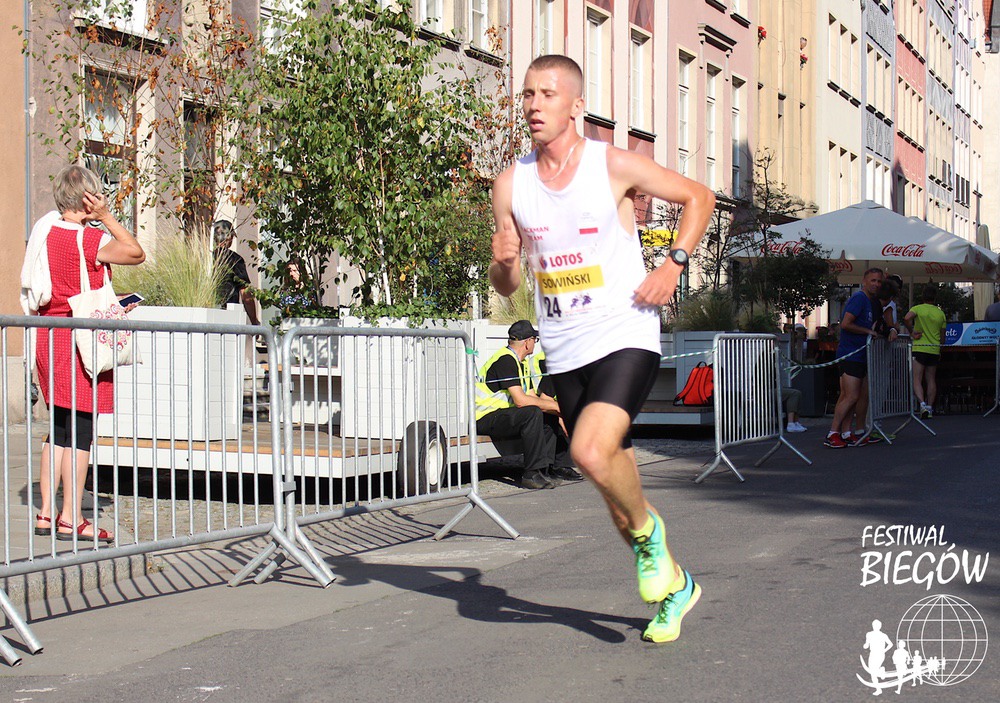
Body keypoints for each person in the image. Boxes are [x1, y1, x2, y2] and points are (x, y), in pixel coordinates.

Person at [490, 55, 715, 643]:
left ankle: (651, 539)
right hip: (564, 350)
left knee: (589, 451)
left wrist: (673, 265)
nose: (534, 105)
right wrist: (504, 262)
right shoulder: (511, 184)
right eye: (528, 94)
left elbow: (699, 196)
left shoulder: (611, 164)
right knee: (616, 492)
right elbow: (507, 286)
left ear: (576, 106)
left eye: (547, 94)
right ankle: (676, 587)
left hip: (624, 333)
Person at [19, 165, 145, 542]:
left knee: (58, 426)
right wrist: (106, 217)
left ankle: (46, 512)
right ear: (89, 198)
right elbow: (135, 252)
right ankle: (72, 517)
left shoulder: (44, 232)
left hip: (49, 335)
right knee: (81, 430)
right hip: (81, 341)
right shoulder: (89, 239)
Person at [475, 320, 579, 489]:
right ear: (527, 342)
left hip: (503, 415)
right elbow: (521, 401)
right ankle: (531, 474)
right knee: (532, 413)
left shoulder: (521, 364)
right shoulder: (506, 360)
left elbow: (532, 396)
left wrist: (559, 414)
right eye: (534, 340)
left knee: (545, 413)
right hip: (485, 417)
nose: (535, 344)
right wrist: (558, 407)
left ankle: (544, 470)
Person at [825, 268, 886, 448]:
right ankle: (832, 433)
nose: (876, 284)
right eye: (873, 280)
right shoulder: (859, 298)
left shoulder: (869, 301)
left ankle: (846, 432)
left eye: (879, 281)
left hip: (859, 355)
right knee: (850, 396)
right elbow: (845, 324)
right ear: (864, 281)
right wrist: (868, 331)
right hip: (850, 354)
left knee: (853, 396)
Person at [903, 285, 947, 418]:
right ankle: (930, 407)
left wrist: (911, 332)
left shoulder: (917, 308)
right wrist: (940, 346)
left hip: (920, 347)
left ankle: (922, 404)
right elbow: (943, 336)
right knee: (931, 379)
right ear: (935, 297)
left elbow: (906, 318)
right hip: (934, 348)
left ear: (922, 296)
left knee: (917, 378)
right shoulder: (940, 313)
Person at [213, 220, 260, 326]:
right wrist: (254, 321)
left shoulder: (204, 257)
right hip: (228, 314)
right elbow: (245, 293)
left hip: (204, 312)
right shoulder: (234, 259)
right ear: (229, 237)